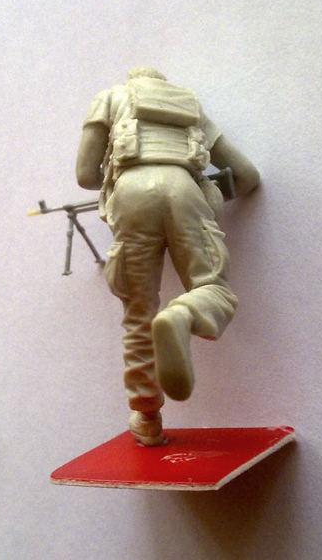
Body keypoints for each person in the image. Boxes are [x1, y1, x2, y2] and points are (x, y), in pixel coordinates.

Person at [76, 67, 260, 445]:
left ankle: (147, 418)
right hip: (185, 188)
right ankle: (184, 314)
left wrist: (114, 177)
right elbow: (247, 176)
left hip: (130, 192)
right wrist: (207, 196)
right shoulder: (190, 105)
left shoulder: (110, 98)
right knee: (212, 286)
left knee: (138, 312)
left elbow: (84, 175)